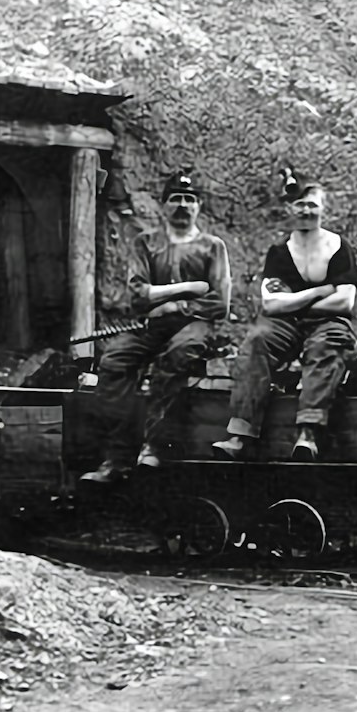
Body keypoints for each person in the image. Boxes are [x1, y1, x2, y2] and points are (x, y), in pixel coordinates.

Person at [80, 169, 231, 483]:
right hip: (152, 325)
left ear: (198, 207)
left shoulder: (212, 247)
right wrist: (189, 288)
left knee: (176, 356)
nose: (183, 205)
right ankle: (117, 456)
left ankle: (155, 446)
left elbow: (219, 303)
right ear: (164, 205)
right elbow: (138, 297)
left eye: (190, 199)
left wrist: (172, 302)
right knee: (113, 361)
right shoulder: (146, 243)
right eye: (175, 198)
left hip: (195, 325)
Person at [211, 170, 357, 462]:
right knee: (257, 341)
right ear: (290, 209)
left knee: (327, 345)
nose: (306, 210)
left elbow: (344, 302)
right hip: (285, 325)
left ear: (323, 208)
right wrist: (318, 293)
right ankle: (240, 433)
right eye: (300, 205)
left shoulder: (339, 248)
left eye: (312, 204)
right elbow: (272, 305)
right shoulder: (280, 252)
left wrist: (294, 302)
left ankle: (308, 435)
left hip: (326, 324)